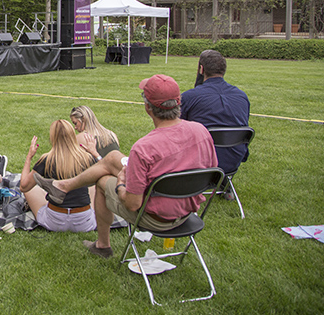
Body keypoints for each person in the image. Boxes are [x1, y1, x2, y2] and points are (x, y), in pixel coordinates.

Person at [43, 75, 217, 258]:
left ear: (148, 107)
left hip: (157, 218)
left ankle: (102, 245)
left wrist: (120, 185)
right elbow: (210, 176)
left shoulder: (144, 148)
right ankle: (64, 186)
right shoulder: (201, 131)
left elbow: (132, 204)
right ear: (178, 102)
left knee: (102, 180)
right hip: (188, 209)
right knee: (112, 158)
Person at [181, 49, 251, 195]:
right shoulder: (241, 96)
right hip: (233, 159)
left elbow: (175, 129)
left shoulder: (189, 97)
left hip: (201, 160)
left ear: (201, 69)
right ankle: (224, 182)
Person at [19, 120, 96, 232]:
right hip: (84, 222)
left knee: (31, 189)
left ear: (53, 137)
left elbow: (24, 186)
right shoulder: (86, 158)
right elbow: (106, 174)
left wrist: (29, 157)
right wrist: (94, 153)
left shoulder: (47, 159)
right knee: (97, 186)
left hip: (55, 221)